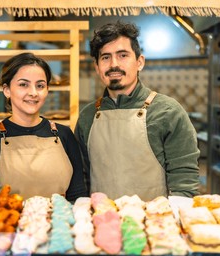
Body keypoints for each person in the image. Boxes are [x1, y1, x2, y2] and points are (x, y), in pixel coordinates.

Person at [75, 21, 200, 201]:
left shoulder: (168, 111)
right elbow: (82, 178)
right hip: (102, 222)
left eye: (123, 55)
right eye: (105, 57)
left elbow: (184, 179)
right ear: (97, 67)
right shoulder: (87, 116)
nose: (113, 64)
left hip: (155, 224)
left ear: (139, 62)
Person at [0, 52, 87, 201]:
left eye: (40, 86)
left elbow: (78, 197)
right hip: (10, 223)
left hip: (59, 223)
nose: (33, 93)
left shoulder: (64, 135)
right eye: (23, 84)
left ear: (47, 90)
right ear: (6, 90)